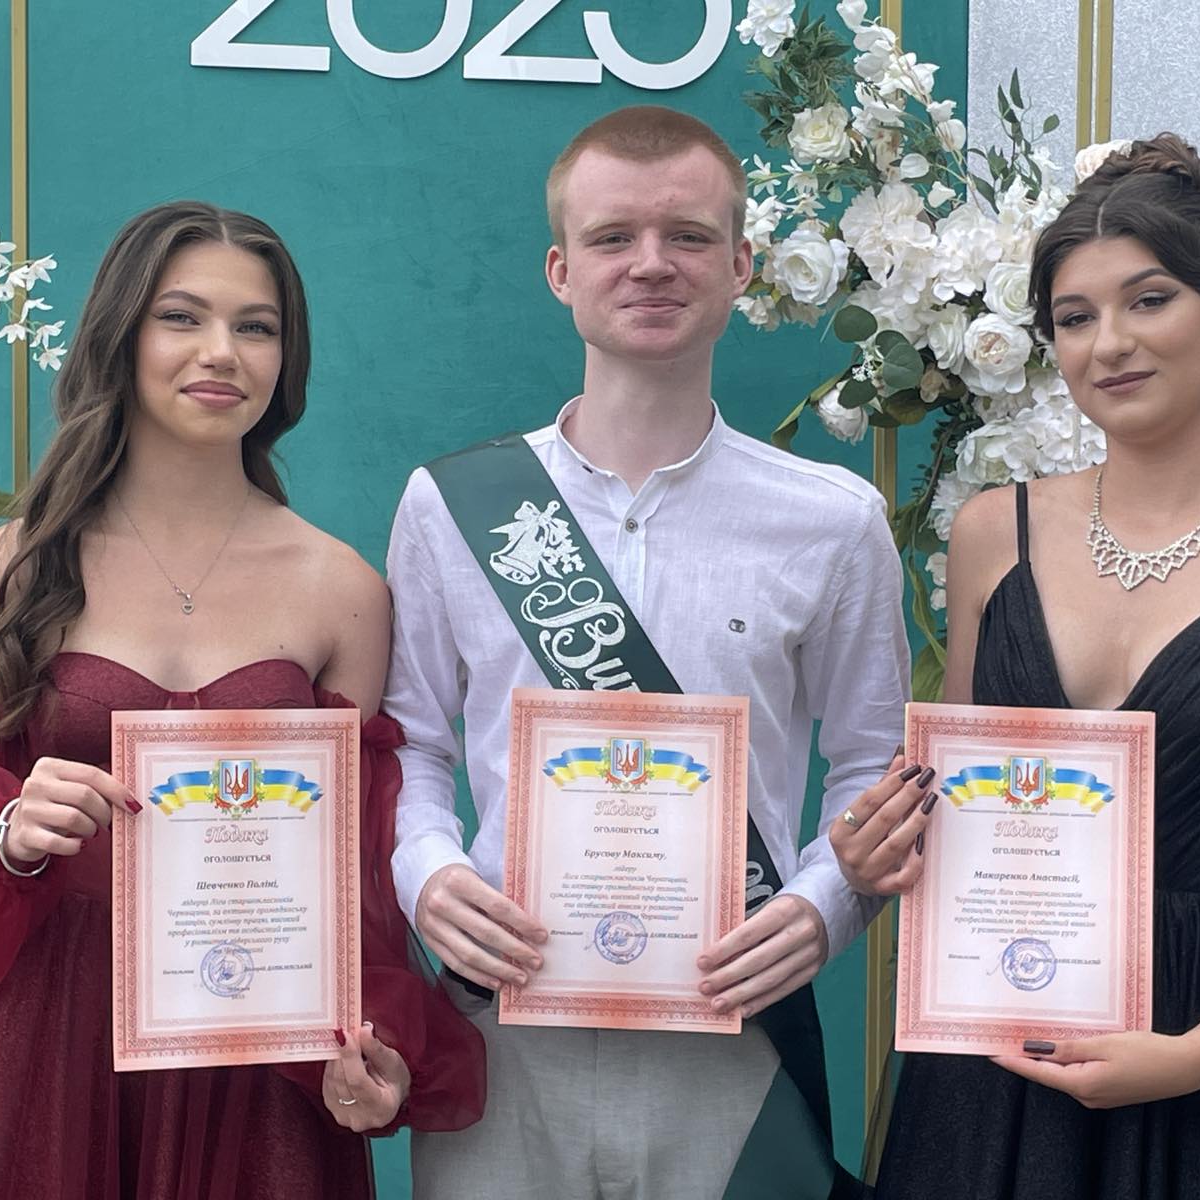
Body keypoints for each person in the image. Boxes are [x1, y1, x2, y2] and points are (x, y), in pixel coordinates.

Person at [0, 201, 484, 1199]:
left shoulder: (344, 589)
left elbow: (353, 889)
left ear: (286, 359)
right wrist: (9, 832)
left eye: (256, 326)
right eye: (182, 316)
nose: (222, 351)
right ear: (121, 334)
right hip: (54, 1041)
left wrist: (372, 1044)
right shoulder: (6, 575)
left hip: (259, 1058)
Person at [382, 105, 929, 1200]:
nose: (650, 264)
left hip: (732, 1030)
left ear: (740, 266)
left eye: (687, 236)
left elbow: (877, 769)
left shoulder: (833, 520)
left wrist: (821, 909)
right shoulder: (450, 505)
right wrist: (427, 875)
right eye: (612, 237)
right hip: (505, 1029)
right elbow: (409, 748)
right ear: (560, 270)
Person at [849, 134, 1200, 1199]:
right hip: (1001, 1038)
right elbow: (963, 800)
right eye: (1074, 318)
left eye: (1148, 301)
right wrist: (882, 842)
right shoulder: (992, 531)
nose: (1108, 344)